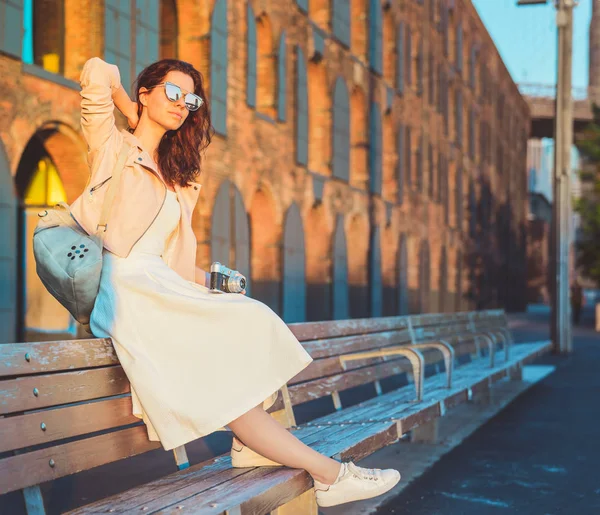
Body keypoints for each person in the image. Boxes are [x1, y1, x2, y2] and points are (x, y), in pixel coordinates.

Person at [69, 57, 401, 508]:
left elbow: (175, 263)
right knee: (231, 376)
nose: (181, 104)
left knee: (251, 315)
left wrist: (216, 282)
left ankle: (257, 447)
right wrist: (130, 111)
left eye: (190, 99)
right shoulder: (112, 148)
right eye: (170, 92)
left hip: (161, 287)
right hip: (127, 292)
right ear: (145, 93)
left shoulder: (176, 181)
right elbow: (95, 71)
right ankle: (329, 475)